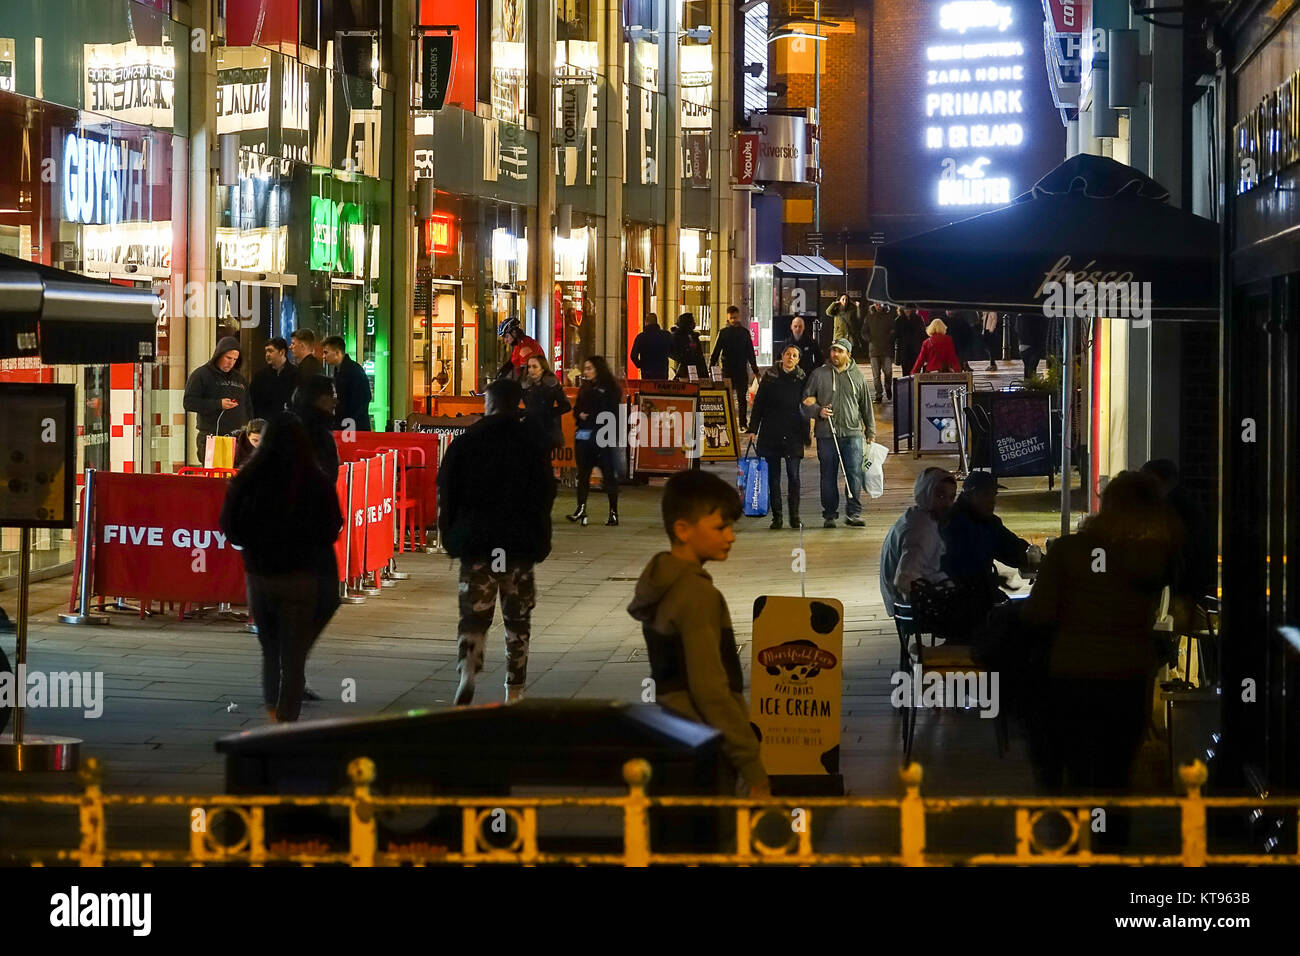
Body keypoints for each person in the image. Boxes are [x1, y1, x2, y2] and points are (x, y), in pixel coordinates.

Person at [1020, 470, 1180, 799]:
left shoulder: (1070, 551)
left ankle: (1081, 836)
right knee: (1116, 771)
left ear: (1107, 505)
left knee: (1079, 768)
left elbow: (1040, 613)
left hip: (1074, 672)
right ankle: (1112, 837)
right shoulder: (1158, 556)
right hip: (1131, 674)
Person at [626, 470, 769, 796]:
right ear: (683, 530)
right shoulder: (697, 595)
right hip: (704, 742)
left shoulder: (662, 583)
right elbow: (711, 690)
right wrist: (752, 765)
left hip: (672, 735)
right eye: (721, 527)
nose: (731, 536)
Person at [437, 378, 556, 705]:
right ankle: (514, 688)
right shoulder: (531, 442)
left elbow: (446, 489)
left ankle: (468, 670)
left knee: (473, 615)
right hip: (518, 546)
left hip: (477, 544)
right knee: (518, 621)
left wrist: (450, 535)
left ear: (490, 403)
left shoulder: (468, 441)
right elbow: (546, 492)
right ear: (516, 403)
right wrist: (540, 537)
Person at [219, 412, 343, 723]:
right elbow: (332, 527)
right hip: (302, 576)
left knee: (270, 648)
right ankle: (288, 718)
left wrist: (254, 545)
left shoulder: (248, 478)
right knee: (294, 654)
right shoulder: (315, 480)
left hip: (260, 575)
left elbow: (230, 526)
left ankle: (273, 714)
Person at [941, 471, 1037, 620]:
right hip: (958, 599)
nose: (992, 501)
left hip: (979, 593)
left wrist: (1037, 557)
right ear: (969, 495)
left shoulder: (988, 521)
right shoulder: (954, 524)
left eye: (994, 495)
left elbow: (1011, 548)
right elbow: (965, 567)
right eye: (986, 494)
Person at [802, 338, 875, 528]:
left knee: (854, 474)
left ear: (848, 354)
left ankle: (854, 513)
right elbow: (806, 400)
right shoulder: (819, 374)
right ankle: (829, 514)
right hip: (827, 434)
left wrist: (870, 429)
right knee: (828, 475)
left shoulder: (857, 376)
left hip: (853, 433)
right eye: (833, 350)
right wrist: (819, 411)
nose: (835, 354)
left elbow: (865, 405)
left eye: (839, 351)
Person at [879, 467, 958, 618]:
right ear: (926, 493)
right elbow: (906, 580)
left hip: (901, 599)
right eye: (940, 496)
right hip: (912, 607)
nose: (948, 503)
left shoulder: (914, 516)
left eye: (951, 497)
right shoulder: (922, 529)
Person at [747, 344, 806, 530]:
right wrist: (752, 429)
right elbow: (759, 404)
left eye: (794, 355)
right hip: (771, 432)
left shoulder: (802, 378)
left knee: (794, 476)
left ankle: (794, 517)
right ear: (782, 356)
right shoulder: (770, 377)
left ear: (798, 360)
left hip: (793, 433)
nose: (790, 357)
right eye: (788, 354)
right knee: (773, 477)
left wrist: (807, 432)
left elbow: (807, 405)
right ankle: (777, 517)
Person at [568, 355, 623, 526]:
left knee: (608, 476)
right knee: (583, 474)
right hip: (584, 435)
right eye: (585, 369)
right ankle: (581, 508)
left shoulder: (609, 388)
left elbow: (610, 411)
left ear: (599, 369)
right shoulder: (586, 387)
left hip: (603, 436)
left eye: (589, 368)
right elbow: (577, 408)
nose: (586, 372)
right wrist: (579, 414)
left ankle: (613, 512)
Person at [183, 335, 250, 464]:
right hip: (211, 436)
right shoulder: (201, 375)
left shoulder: (239, 379)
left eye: (235, 359)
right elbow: (189, 403)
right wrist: (218, 404)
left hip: (237, 437)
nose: (231, 362)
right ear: (219, 355)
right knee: (214, 478)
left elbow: (248, 406)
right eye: (228, 358)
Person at [709, 305, 761, 429]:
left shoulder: (732, 333)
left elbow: (750, 353)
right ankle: (737, 422)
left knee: (738, 397)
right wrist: (711, 367)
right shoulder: (736, 333)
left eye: (735, 317)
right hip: (732, 369)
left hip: (734, 369)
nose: (733, 320)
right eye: (731, 318)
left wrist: (755, 370)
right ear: (728, 317)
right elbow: (716, 352)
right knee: (734, 397)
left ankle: (739, 422)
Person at [321, 336, 372, 431]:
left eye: (326, 352)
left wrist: (347, 422)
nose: (323, 357)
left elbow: (363, 399)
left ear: (337, 352)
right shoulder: (339, 370)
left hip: (354, 428)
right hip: (347, 426)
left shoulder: (354, 371)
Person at [291, 376, 340, 477]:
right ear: (320, 399)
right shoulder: (319, 434)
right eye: (333, 397)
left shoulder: (286, 426)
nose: (336, 402)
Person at [521, 353, 571, 451]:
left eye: (535, 367)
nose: (531, 370)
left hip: (546, 431)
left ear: (542, 369)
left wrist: (548, 413)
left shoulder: (551, 384)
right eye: (529, 367)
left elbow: (566, 406)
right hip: (530, 429)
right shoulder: (525, 385)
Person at [248, 337, 296, 420]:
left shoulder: (295, 374)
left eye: (270, 351)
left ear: (282, 352)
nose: (267, 354)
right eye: (266, 351)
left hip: (287, 423)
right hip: (265, 424)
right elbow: (252, 401)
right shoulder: (260, 376)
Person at [864, 302, 897, 403]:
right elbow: (864, 331)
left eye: (880, 304)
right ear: (874, 305)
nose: (878, 306)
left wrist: (889, 338)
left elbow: (894, 330)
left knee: (888, 372)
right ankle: (879, 395)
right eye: (876, 304)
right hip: (874, 350)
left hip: (886, 350)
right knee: (876, 375)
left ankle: (888, 387)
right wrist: (870, 339)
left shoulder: (889, 316)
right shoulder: (869, 317)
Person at [629, 313, 672, 380]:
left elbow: (633, 356)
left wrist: (640, 365)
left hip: (647, 372)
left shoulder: (641, 337)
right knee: (661, 389)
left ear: (646, 322)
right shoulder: (666, 335)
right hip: (662, 371)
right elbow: (672, 350)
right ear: (656, 321)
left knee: (647, 388)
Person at [670, 313, 708, 380]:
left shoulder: (694, 336)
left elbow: (700, 356)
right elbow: (672, 353)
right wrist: (683, 357)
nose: (694, 323)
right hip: (683, 371)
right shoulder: (677, 337)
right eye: (692, 321)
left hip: (697, 371)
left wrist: (705, 374)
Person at [895, 305, 927, 379]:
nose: (907, 310)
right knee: (905, 375)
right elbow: (896, 337)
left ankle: (915, 390)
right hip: (904, 352)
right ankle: (907, 390)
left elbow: (923, 335)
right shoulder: (899, 320)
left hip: (916, 351)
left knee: (915, 373)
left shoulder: (918, 319)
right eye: (905, 308)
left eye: (909, 308)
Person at [1016, 313, 1048, 379]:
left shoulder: (1020, 315)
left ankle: (1027, 383)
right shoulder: (1038, 316)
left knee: (1027, 365)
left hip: (1022, 344)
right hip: (1034, 344)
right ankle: (1030, 383)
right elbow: (1042, 330)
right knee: (1032, 366)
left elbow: (1016, 329)